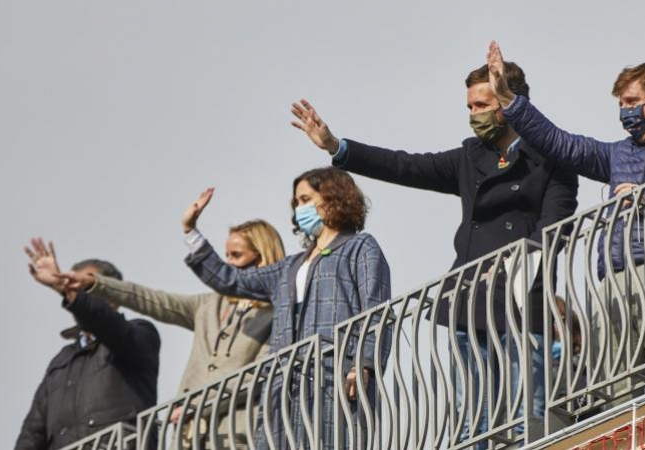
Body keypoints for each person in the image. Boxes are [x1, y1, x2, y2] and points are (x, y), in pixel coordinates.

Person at [290, 62, 578, 445]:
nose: (474, 114)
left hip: (525, 304)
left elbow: (554, 227)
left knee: (527, 420)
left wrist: (517, 263)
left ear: (511, 102)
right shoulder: (469, 156)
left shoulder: (552, 159)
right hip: (470, 304)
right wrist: (338, 147)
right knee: (470, 421)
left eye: (482, 105)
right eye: (470, 107)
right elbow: (405, 165)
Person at [486, 40, 645, 407]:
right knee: (613, 393)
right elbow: (560, 143)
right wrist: (509, 100)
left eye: (632, 102)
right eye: (621, 104)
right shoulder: (618, 154)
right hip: (613, 278)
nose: (625, 111)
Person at [180, 167, 391, 450]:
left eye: (305, 199)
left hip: (334, 380)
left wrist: (364, 364)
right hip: (283, 391)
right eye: (296, 202)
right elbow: (231, 279)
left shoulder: (360, 247)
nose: (298, 208)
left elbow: (375, 310)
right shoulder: (289, 267)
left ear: (332, 198)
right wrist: (191, 232)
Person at [52, 220, 286, 450]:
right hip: (188, 439)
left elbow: (258, 376)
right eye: (226, 255)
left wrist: (197, 406)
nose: (226, 264)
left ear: (262, 259)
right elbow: (151, 299)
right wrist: (96, 283)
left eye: (236, 255)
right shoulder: (208, 304)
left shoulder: (277, 313)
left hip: (238, 436)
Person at [15, 240, 160, 450]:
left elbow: (110, 326)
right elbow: (32, 432)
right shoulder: (61, 361)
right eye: (72, 286)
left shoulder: (140, 333)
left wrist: (66, 291)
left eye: (82, 288)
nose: (75, 295)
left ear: (113, 294)